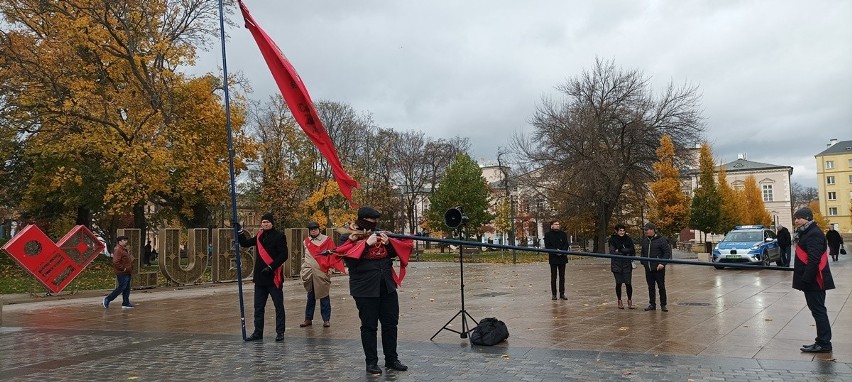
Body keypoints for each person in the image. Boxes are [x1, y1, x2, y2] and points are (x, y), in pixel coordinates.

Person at [335, 207, 413, 375]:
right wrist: (365, 244)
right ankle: (371, 362)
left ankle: (392, 359)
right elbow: (351, 262)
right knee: (369, 326)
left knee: (391, 324)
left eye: (376, 221)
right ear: (362, 220)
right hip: (364, 288)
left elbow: (394, 253)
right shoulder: (348, 236)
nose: (374, 223)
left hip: (387, 285)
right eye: (371, 220)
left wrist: (389, 244)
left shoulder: (380, 233)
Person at [237, 212, 288, 342]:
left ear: (272, 223)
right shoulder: (259, 236)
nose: (265, 224)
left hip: (273, 277)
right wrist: (240, 231)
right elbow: (245, 243)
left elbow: (284, 255)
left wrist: (271, 267)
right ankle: (258, 332)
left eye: (267, 222)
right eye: (263, 222)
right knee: (258, 307)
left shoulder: (279, 236)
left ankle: (280, 332)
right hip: (260, 278)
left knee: (278, 306)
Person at [792, 207, 835, 353]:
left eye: (799, 217)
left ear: (808, 218)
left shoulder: (813, 234)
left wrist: (805, 281)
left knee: (818, 311)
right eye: (795, 218)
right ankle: (821, 341)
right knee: (817, 311)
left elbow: (814, 260)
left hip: (815, 281)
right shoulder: (808, 232)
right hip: (812, 281)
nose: (796, 220)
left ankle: (824, 344)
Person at [300, 221, 342, 328]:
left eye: (315, 229)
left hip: (322, 271)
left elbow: (333, 254)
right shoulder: (306, 241)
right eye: (311, 229)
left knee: (324, 296)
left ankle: (326, 319)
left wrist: (331, 268)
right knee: (310, 296)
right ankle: (308, 319)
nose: (313, 230)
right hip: (310, 273)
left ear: (319, 229)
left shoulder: (327, 240)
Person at [640, 222, 671, 312]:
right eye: (644, 230)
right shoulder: (645, 241)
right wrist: (644, 262)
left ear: (652, 230)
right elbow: (643, 253)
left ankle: (663, 304)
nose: (645, 231)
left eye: (647, 230)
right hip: (648, 268)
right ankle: (652, 304)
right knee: (651, 287)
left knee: (661, 286)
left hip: (658, 268)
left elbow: (666, 253)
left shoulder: (661, 240)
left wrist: (662, 263)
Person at [608, 224, 635, 309]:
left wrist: (623, 251)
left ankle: (629, 300)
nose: (622, 232)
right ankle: (619, 301)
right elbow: (612, 252)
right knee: (618, 283)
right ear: (616, 231)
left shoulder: (628, 239)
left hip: (627, 264)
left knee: (628, 283)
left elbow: (632, 251)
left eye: (623, 230)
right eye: (620, 230)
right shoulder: (612, 239)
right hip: (617, 264)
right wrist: (623, 251)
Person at [103, 236, 134, 309]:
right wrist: (123, 268)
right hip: (122, 272)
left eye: (126, 240)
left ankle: (125, 303)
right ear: (120, 241)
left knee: (127, 288)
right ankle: (108, 299)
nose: (126, 241)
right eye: (124, 240)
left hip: (127, 271)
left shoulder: (124, 249)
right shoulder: (118, 250)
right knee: (122, 287)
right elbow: (115, 262)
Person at [543, 221, 569, 301]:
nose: (558, 226)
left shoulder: (563, 234)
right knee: (553, 276)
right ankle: (554, 294)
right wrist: (555, 251)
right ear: (552, 226)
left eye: (558, 224)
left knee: (562, 277)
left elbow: (566, 244)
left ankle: (562, 293)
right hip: (553, 258)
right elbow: (547, 246)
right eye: (556, 224)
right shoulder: (548, 235)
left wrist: (562, 251)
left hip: (562, 258)